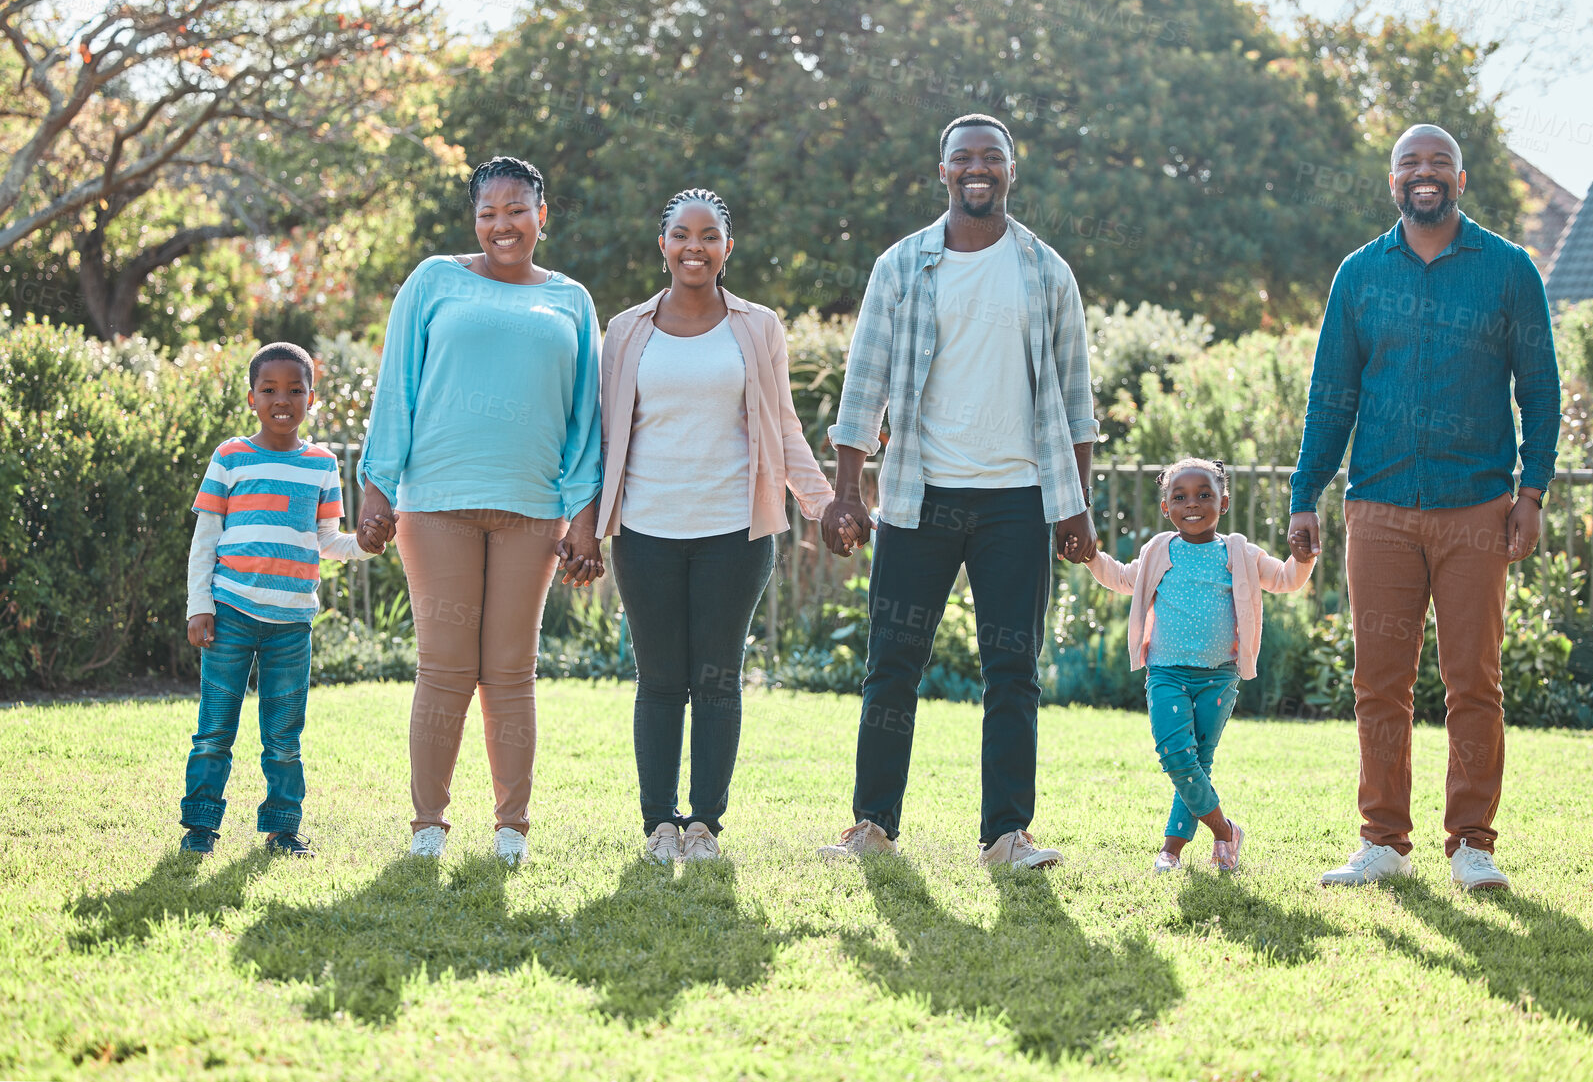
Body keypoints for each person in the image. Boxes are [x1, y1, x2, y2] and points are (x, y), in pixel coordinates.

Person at [819, 113, 1099, 870]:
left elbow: (1077, 399)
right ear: (941, 171)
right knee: (892, 662)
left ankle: (1007, 834)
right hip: (918, 498)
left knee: (1014, 670)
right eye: (963, 157)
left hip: (1018, 499)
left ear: (1012, 170)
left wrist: (1078, 505)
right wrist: (847, 491)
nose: (978, 168)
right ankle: (872, 824)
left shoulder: (1046, 271)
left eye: (992, 158)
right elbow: (862, 386)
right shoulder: (901, 266)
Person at [1289, 123, 1559, 891]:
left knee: (1474, 679)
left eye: (1439, 161)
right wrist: (1305, 493)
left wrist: (1530, 491)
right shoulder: (1359, 274)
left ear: (1461, 180)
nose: (1425, 172)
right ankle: (1383, 841)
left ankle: (1473, 842)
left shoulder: (1508, 270)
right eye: (1410, 162)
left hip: (1477, 506)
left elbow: (1539, 390)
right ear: (1393, 182)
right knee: (1379, 681)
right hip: (1377, 505)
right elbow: (1330, 394)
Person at [359, 155, 606, 866]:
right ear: (474, 219)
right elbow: (396, 382)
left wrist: (583, 516)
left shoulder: (571, 300)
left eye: (515, 210)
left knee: (510, 668)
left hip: (532, 509)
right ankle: (428, 824)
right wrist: (377, 483)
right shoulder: (435, 280)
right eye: (487, 212)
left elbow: (585, 420)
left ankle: (511, 829)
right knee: (443, 666)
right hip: (436, 502)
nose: (502, 224)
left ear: (541, 214)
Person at [597, 188, 850, 864]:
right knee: (658, 678)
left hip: (735, 534)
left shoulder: (758, 326)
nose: (695, 247)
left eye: (710, 235)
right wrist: (580, 523)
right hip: (644, 530)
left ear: (727, 248)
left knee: (716, 677)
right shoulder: (623, 331)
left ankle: (705, 823)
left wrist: (825, 505)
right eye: (682, 234)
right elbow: (600, 435)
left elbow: (784, 428)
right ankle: (659, 824)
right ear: (663, 245)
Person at [181, 342, 389, 858]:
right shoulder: (230, 456)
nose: (283, 399)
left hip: (292, 623)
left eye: (295, 390)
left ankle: (281, 830)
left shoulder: (320, 465)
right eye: (270, 389)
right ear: (252, 398)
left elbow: (326, 540)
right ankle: (201, 827)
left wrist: (364, 545)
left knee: (283, 734)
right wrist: (198, 605)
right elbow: (205, 540)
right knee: (214, 728)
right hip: (229, 612)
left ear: (311, 398)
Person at [1072, 458, 1314, 874]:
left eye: (1205, 495)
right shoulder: (1158, 551)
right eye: (1180, 497)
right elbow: (1122, 577)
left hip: (1219, 676)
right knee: (1175, 755)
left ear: (1224, 501)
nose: (1193, 504)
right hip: (1166, 672)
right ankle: (1225, 832)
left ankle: (1172, 849)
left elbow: (1286, 580)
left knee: (1198, 760)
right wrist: (1093, 557)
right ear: (1166, 507)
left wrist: (1302, 557)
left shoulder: (1238, 551)